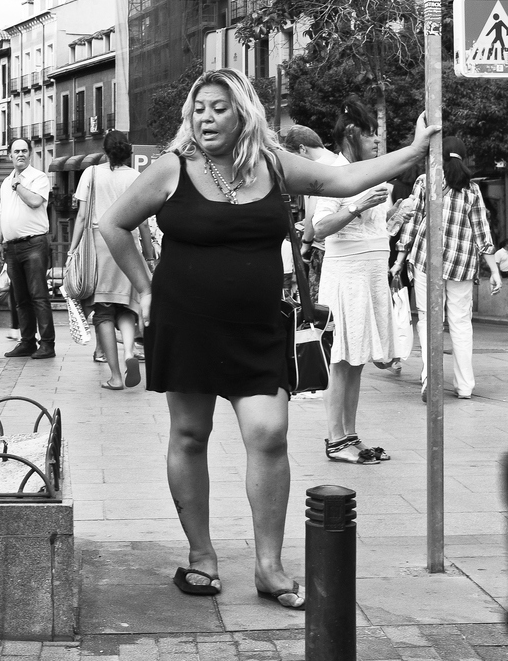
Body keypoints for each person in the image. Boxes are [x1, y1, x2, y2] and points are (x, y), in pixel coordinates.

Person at [99, 68, 438, 610]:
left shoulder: (274, 166)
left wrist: (414, 151)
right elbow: (112, 224)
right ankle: (202, 556)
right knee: (190, 434)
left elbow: (344, 181)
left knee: (270, 434)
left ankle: (268, 566)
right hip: (186, 325)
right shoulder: (171, 169)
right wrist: (143, 292)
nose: (205, 118)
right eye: (199, 109)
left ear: (243, 113)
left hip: (257, 329)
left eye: (218, 108)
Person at [311, 97, 409, 465]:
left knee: (356, 360)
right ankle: (336, 439)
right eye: (370, 134)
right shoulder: (336, 172)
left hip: (369, 273)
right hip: (347, 275)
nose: (376, 141)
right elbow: (320, 227)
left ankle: (349, 436)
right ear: (352, 134)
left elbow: (374, 227)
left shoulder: (369, 172)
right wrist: (357, 205)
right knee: (340, 360)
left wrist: (396, 215)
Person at [393, 136, 502, 401]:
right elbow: (481, 232)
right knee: (461, 324)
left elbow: (411, 222)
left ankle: (431, 380)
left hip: (426, 260)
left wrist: (399, 258)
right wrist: (494, 271)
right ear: (462, 157)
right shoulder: (472, 189)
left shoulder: (425, 181)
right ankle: (465, 386)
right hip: (462, 265)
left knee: (429, 321)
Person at [69, 130, 155, 390]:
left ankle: (116, 376)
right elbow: (143, 224)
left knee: (103, 312)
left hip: (99, 247)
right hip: (127, 246)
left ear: (104, 151)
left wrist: (73, 250)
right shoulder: (135, 177)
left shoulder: (91, 174)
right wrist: (149, 256)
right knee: (126, 307)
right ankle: (129, 351)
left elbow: (82, 218)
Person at [0, 138, 55, 359]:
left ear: (30, 154)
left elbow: (35, 202)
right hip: (12, 247)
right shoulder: (5, 182)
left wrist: (18, 185)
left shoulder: (38, 178)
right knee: (20, 298)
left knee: (38, 295)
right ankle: (27, 341)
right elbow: (3, 214)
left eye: (24, 151)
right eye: (16, 151)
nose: (20, 154)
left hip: (35, 243)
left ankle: (47, 344)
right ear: (9, 155)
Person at [280, 125, 344, 304]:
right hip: (346, 246)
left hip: (322, 249)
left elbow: (311, 216)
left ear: (302, 148)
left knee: (320, 306)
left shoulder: (313, 170)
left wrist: (305, 246)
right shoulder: (341, 160)